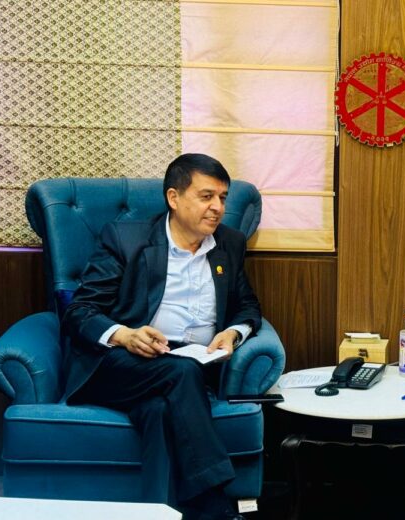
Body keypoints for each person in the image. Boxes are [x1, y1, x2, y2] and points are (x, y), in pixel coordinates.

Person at [62, 153, 261, 520]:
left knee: (159, 409)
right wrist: (124, 335)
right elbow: (80, 310)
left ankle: (158, 510)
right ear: (174, 197)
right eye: (206, 196)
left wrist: (233, 333)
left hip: (192, 364)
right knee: (180, 372)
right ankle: (217, 501)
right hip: (121, 362)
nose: (218, 208)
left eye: (222, 197)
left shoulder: (229, 244)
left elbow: (247, 306)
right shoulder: (126, 239)